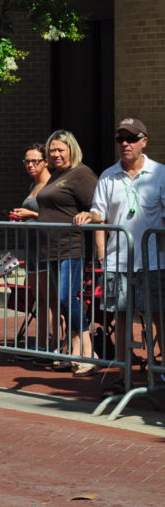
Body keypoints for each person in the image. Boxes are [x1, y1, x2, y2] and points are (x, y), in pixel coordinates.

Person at [75, 118, 165, 394]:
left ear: (144, 142)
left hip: (153, 261)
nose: (125, 144)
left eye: (131, 138)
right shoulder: (108, 175)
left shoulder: (160, 173)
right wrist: (89, 216)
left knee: (160, 317)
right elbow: (99, 213)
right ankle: (124, 377)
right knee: (123, 318)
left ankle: (162, 373)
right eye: (120, 139)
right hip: (119, 261)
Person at [36, 129, 97, 376]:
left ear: (72, 149)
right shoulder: (55, 176)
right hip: (49, 249)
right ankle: (72, 351)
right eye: (52, 150)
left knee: (66, 298)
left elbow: (98, 207)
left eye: (61, 149)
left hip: (71, 247)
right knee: (62, 303)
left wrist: (91, 215)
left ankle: (89, 351)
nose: (56, 154)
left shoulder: (81, 174)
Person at [8, 143, 51, 356]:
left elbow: (56, 218)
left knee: (49, 298)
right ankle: (41, 343)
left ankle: (50, 345)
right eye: (27, 161)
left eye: (36, 161)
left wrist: (31, 215)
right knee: (39, 298)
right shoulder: (32, 186)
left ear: (46, 162)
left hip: (47, 249)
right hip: (32, 249)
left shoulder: (51, 186)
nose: (31, 165)